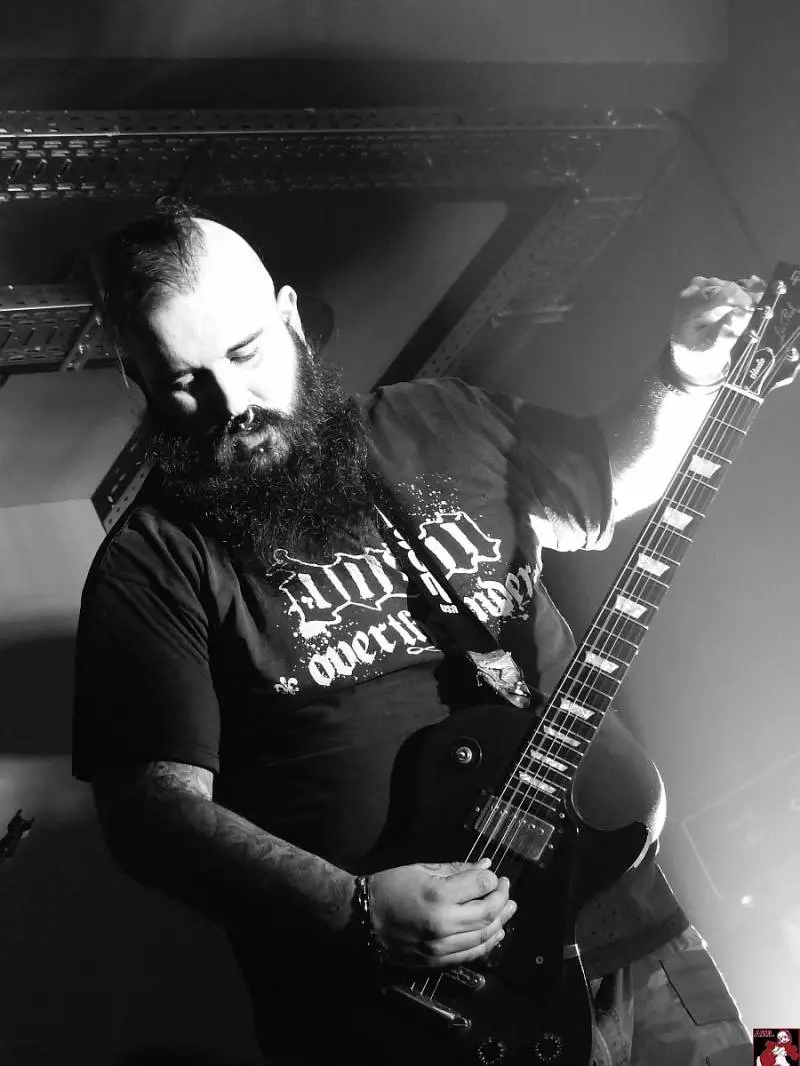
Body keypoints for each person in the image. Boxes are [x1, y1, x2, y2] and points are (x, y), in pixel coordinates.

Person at [72, 198, 758, 1065]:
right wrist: (353, 911)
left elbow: (607, 485)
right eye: (183, 381)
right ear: (137, 381)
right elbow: (151, 814)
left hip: (618, 908)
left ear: (291, 319)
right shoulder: (151, 562)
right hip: (411, 1012)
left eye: (246, 353)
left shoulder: (436, 415)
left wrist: (687, 375)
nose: (231, 402)